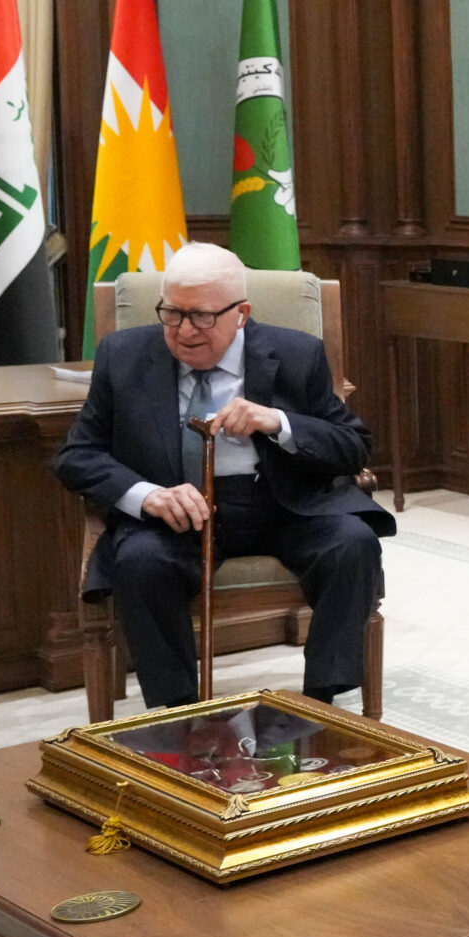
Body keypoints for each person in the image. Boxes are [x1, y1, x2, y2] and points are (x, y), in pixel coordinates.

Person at [55, 241, 389, 708]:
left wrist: (279, 423)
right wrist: (147, 495)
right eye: (172, 313)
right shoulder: (123, 356)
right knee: (141, 561)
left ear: (242, 314)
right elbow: (78, 455)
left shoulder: (297, 354)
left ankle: (319, 706)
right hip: (178, 513)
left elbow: (353, 447)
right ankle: (179, 714)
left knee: (352, 544)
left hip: (282, 504)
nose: (184, 331)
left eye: (202, 316)